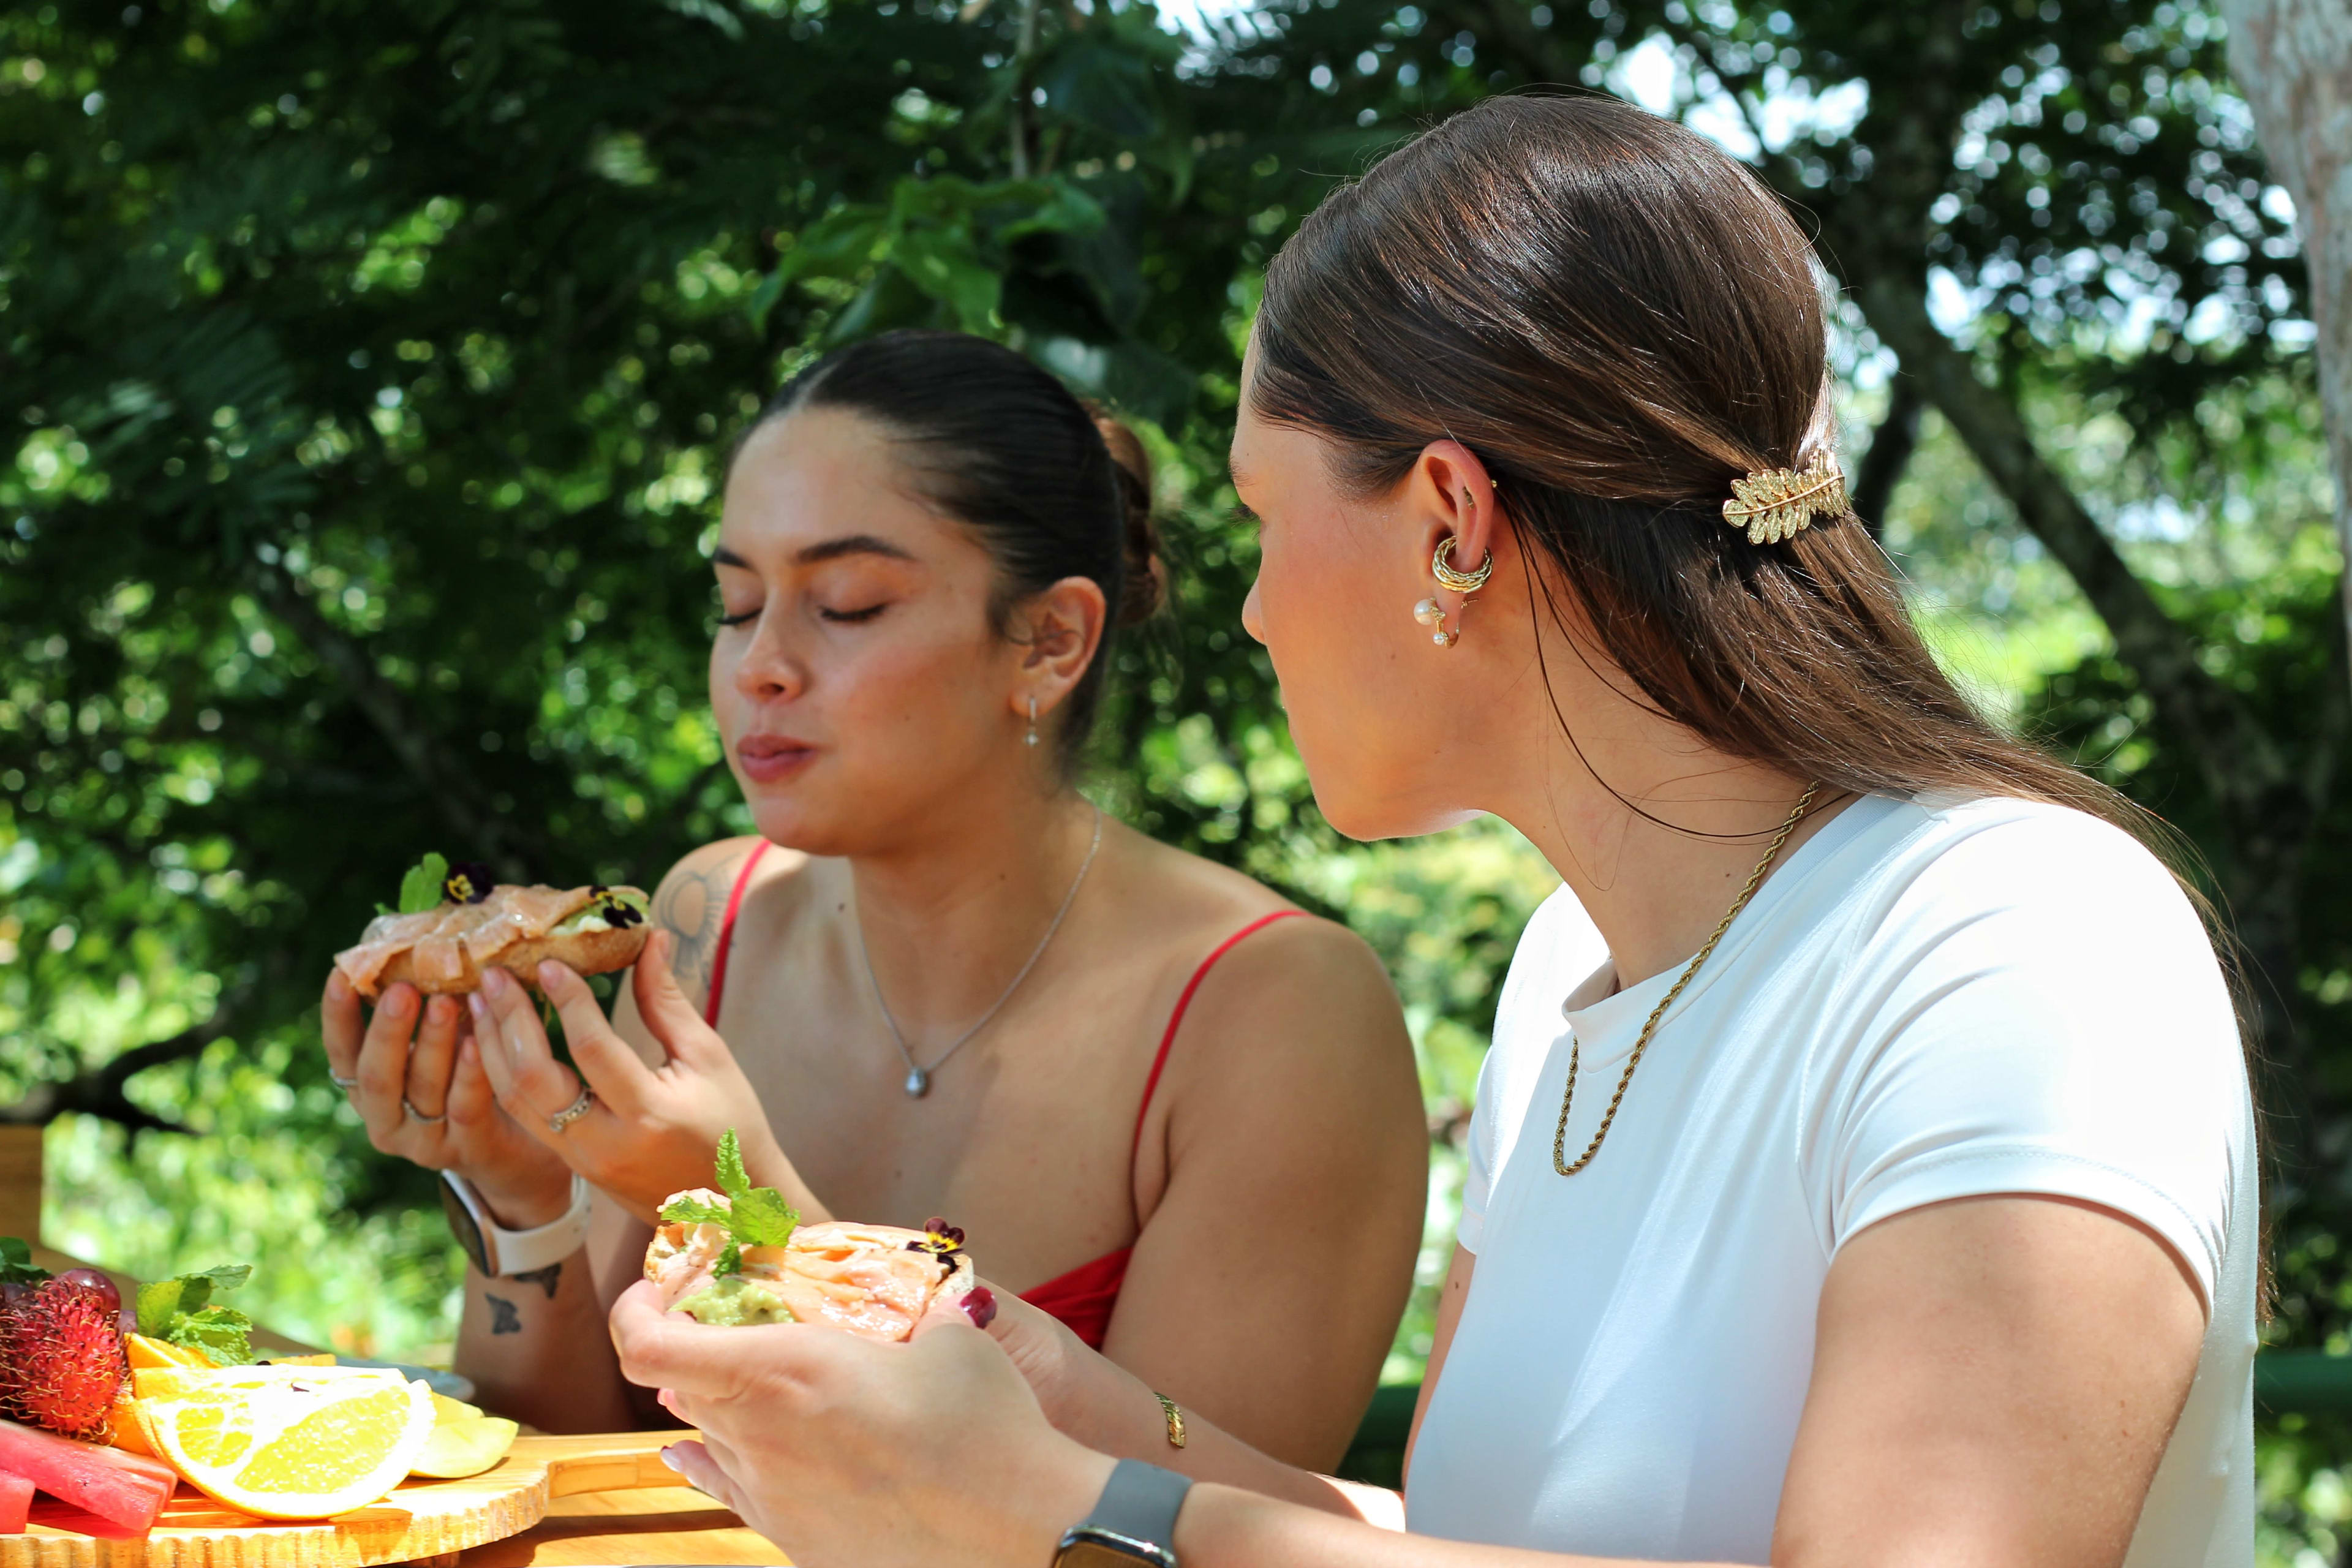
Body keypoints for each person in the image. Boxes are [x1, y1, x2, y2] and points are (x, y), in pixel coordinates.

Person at [606, 94, 2257, 1568]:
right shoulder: (1571, 973)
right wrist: (1062, 1405)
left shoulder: (2016, 942)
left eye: (1262, 517)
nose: (1247, 613)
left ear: (1452, 526)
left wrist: (1062, 1521)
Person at [319, 330, 1430, 1465]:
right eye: (736, 603)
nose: (761, 665)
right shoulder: (710, 919)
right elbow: (567, 1470)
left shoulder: (1277, 1011)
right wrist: (519, 1198)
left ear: (1050, 642)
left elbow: (1188, 1526)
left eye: (845, 604)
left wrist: (759, 1225)